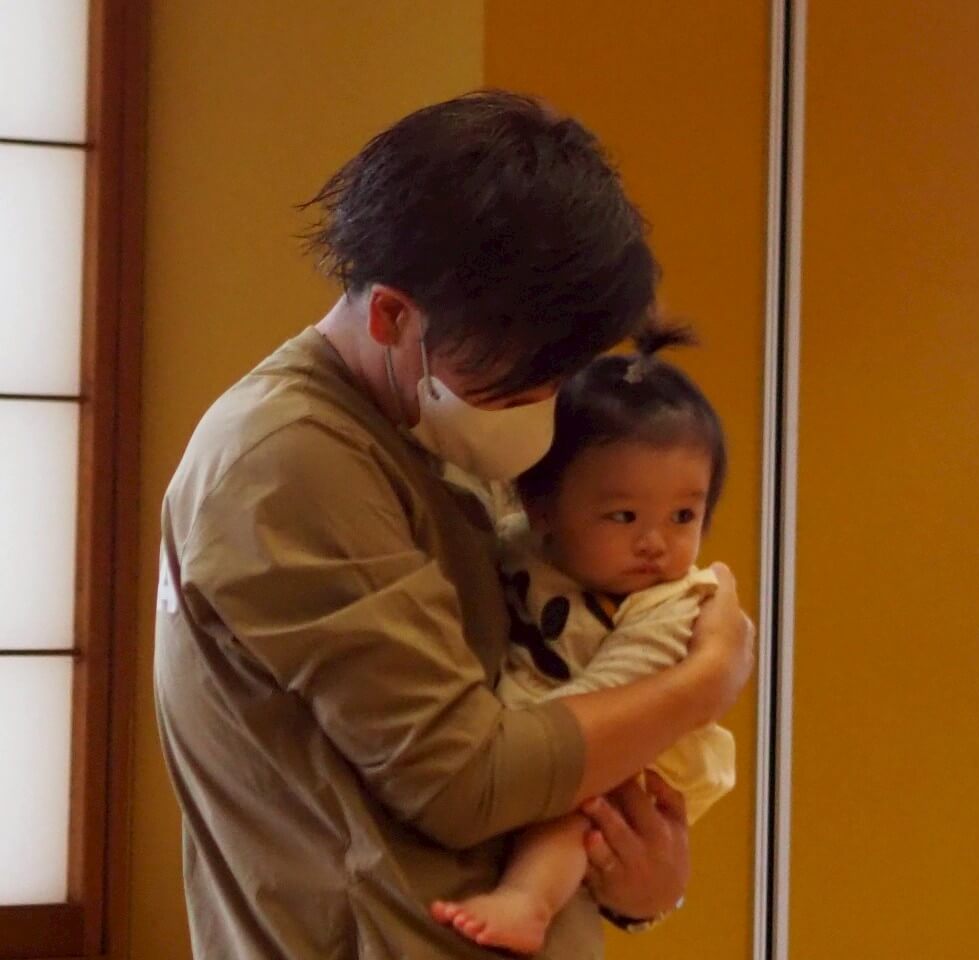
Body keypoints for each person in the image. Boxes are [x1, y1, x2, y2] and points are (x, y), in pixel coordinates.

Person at [153, 90, 754, 960]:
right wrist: (702, 683)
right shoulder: (289, 459)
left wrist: (640, 883)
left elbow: (550, 717)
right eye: (517, 376)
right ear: (393, 316)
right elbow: (464, 782)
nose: (542, 403)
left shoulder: (437, 424)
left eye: (559, 373)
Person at [429, 330, 737, 955]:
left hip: (634, 740)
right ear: (541, 506)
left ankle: (528, 900)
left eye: (684, 516)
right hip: (554, 720)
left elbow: (613, 700)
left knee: (582, 802)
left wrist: (512, 750)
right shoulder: (522, 544)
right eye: (624, 516)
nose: (655, 543)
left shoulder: (674, 604)